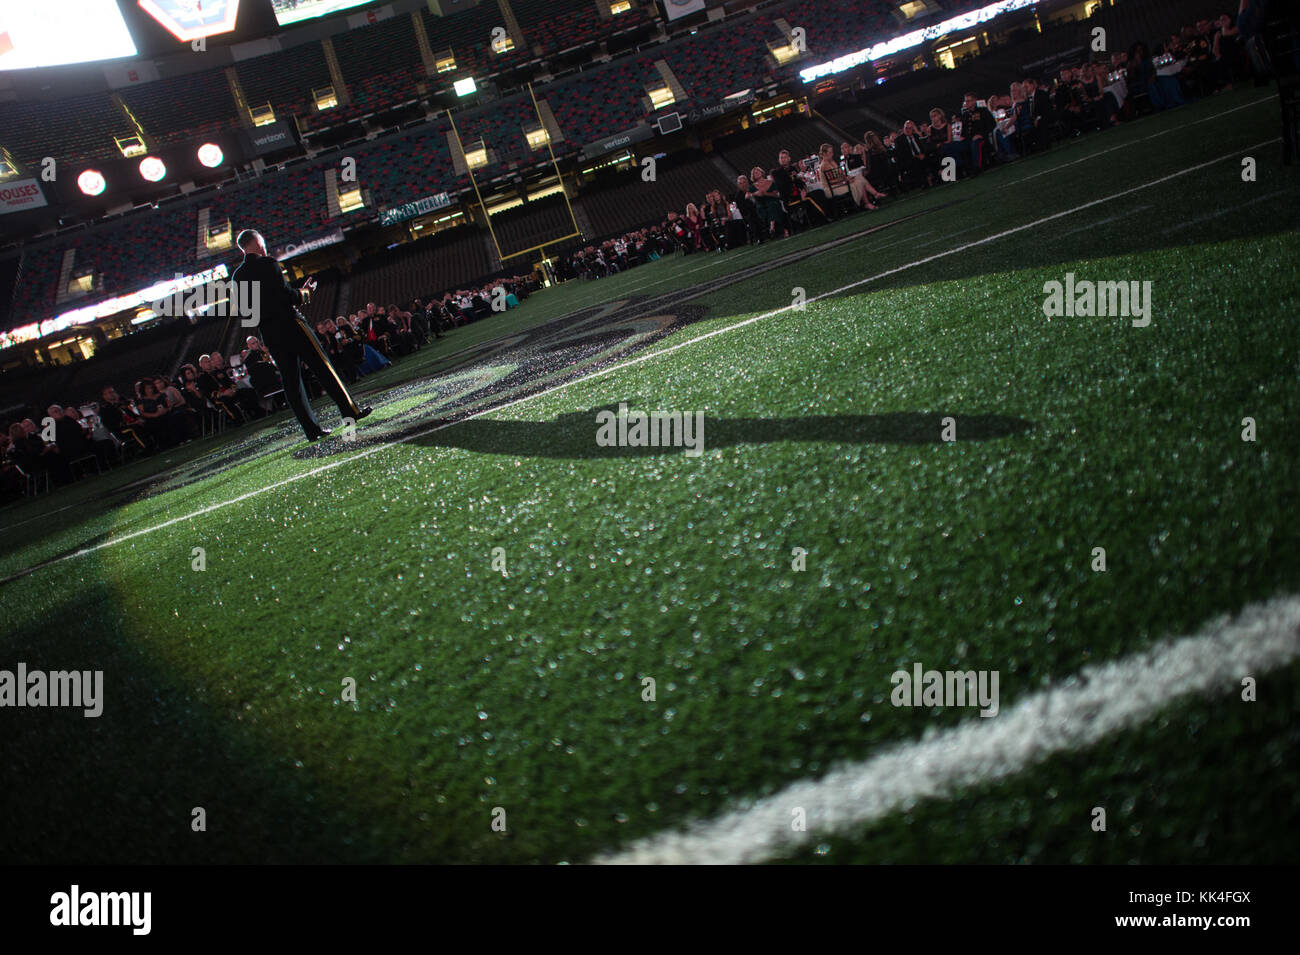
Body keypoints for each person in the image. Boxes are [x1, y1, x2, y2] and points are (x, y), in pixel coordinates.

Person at [231, 229, 371, 441]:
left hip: (270, 333)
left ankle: (311, 430)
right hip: (291, 325)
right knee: (322, 367)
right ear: (258, 242)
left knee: (291, 381)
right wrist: (305, 293)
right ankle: (349, 411)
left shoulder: (238, 276)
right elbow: (286, 296)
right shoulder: (268, 264)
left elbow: (246, 312)